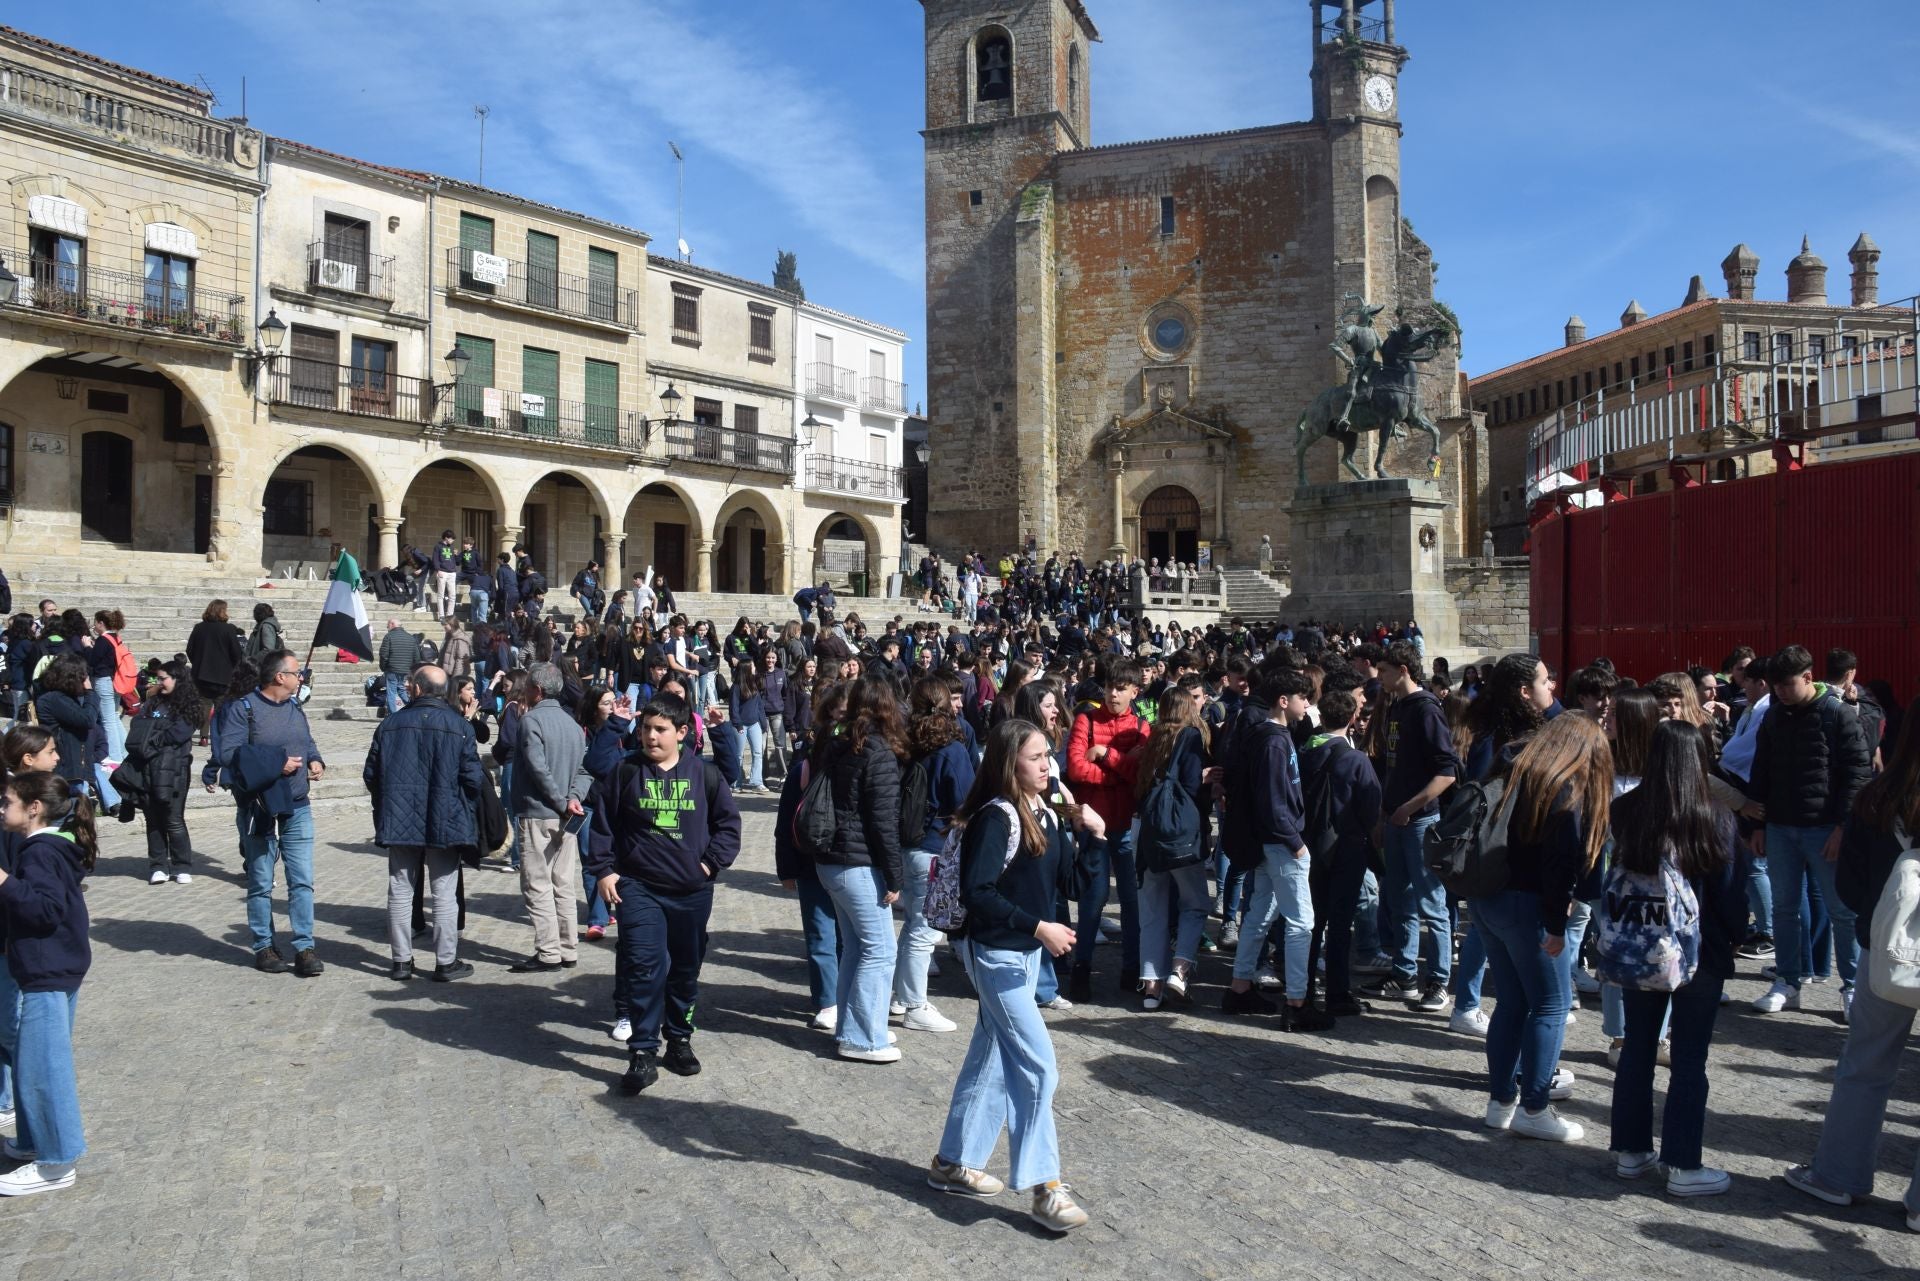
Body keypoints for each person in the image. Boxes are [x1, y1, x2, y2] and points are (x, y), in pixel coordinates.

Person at [929, 717, 1090, 1234]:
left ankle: (952, 1162)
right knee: (1039, 1066)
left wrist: (1094, 835)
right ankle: (1045, 1187)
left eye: (1050, 754)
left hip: (1024, 956)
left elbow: (1064, 880)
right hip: (996, 954)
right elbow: (977, 894)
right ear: (1009, 763)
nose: (1049, 764)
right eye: (1037, 757)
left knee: (993, 1055)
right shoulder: (996, 817)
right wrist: (1039, 926)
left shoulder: (1046, 809)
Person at [1783, 697, 1920, 1230]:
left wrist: (1874, 926)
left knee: (1865, 1066)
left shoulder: (1879, 797)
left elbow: (1852, 887)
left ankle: (1838, 1175)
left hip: (1885, 952)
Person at [1606, 721, 1746, 1197]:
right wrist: (1733, 939)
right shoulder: (1714, 815)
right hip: (1699, 950)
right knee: (1689, 1058)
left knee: (1638, 1046)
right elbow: (1729, 894)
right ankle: (1684, 1164)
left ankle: (1630, 1150)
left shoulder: (1626, 810)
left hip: (1640, 944)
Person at [588, 693, 741, 1093]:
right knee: (643, 966)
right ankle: (642, 1051)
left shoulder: (704, 774)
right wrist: (603, 871)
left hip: (691, 891)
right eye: (646, 729)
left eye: (660, 730)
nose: (651, 737)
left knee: (685, 970)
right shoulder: (624, 773)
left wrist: (708, 865)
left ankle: (679, 1040)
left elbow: (729, 826)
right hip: (638, 889)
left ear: (682, 733)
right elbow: (601, 826)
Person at [1474, 712, 1611, 1143]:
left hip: (1486, 894)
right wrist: (1556, 924)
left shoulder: (1513, 764)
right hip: (1527, 904)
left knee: (1512, 1004)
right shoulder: (1564, 787)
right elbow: (1561, 862)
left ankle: (1501, 1103)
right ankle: (1535, 1107)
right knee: (1552, 1005)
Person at [1744, 645, 1872, 1017]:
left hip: (1825, 829)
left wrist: (1843, 827)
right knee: (1784, 908)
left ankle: (1852, 987)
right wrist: (1757, 824)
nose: (1780, 692)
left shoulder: (1838, 714)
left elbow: (1856, 775)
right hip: (1781, 827)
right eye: (1775, 686)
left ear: (1808, 678)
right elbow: (1761, 769)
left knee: (1842, 911)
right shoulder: (1774, 716)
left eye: (1786, 685)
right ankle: (1788, 981)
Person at [0, 770, 94, 1197]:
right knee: (30, 1059)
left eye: (7, 802)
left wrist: (3, 881)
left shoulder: (39, 852)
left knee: (43, 1066)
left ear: (33, 808)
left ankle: (57, 1160)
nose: (2, 809)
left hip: (47, 970)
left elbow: (44, 910)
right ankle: (34, 1140)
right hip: (53, 966)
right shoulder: (50, 847)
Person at [1221, 671, 1333, 1029]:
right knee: (1301, 923)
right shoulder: (1272, 741)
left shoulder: (1271, 735)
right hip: (1280, 843)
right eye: (1303, 698)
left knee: (1259, 914)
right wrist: (1296, 843)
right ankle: (1297, 1002)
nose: (1308, 705)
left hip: (1268, 842)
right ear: (1284, 701)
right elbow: (1272, 802)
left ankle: (1240, 987)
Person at [365, 665, 483, 983]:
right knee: (444, 892)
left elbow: (371, 775)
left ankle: (401, 961)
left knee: (401, 890)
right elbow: (473, 778)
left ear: (416, 689)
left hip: (401, 816)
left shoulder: (390, 724)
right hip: (445, 816)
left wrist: (387, 802)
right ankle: (445, 961)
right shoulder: (458, 726)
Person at [1359, 641, 1460, 1013]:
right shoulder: (1396, 706)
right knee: (1398, 901)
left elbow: (1446, 773)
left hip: (1420, 821)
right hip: (1397, 819)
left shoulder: (1426, 709)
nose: (1377, 676)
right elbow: (1393, 767)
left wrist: (1408, 808)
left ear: (1403, 669)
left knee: (1432, 905)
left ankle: (1438, 981)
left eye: (1383, 670)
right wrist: (1386, 814)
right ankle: (1403, 974)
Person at [813, 674, 907, 1063]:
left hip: (831, 860)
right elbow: (883, 822)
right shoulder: (877, 751)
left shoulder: (837, 743)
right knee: (881, 951)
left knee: (856, 948)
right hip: (856, 861)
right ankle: (863, 1037)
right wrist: (895, 875)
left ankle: (854, 1027)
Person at [214, 650, 327, 977]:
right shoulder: (242, 710)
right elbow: (229, 755)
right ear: (280, 677)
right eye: (295, 673)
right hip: (259, 805)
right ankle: (264, 945)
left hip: (298, 805)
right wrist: (277, 763)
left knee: (302, 880)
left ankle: (304, 947)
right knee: (262, 880)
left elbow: (308, 743)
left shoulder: (295, 708)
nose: (299, 678)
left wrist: (315, 760)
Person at [1063, 658, 1150, 1001]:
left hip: (1127, 823)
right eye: (1110, 686)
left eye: (1121, 688)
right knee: (1092, 900)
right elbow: (1076, 768)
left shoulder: (1142, 726)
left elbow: (1139, 774)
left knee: (1130, 901)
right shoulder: (1086, 718)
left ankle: (1131, 969)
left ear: (1134, 691)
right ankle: (1081, 968)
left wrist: (1107, 755)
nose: (1113, 693)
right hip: (1093, 824)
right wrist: (1118, 770)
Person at [895, 675, 974, 1034]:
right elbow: (965, 801)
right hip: (933, 847)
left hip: (908, 844)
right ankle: (914, 1003)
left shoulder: (907, 744)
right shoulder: (950, 749)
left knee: (914, 923)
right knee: (924, 930)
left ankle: (900, 995)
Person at [1300, 687, 1382, 1019]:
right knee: (1340, 923)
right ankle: (1336, 992)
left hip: (1308, 846)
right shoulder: (1355, 760)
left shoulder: (1302, 751)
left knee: (1311, 922)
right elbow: (1372, 808)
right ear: (1351, 719)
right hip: (1347, 848)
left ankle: (1302, 986)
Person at [1130, 685, 1211, 1012]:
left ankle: (1151, 986)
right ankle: (1180, 968)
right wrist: (1206, 778)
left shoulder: (1153, 738)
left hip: (1150, 834)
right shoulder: (1191, 737)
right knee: (1194, 903)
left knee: (1152, 908)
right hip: (1181, 835)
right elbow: (1192, 786)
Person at [507, 663, 592, 973]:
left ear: (537, 690)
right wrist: (573, 799)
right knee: (562, 883)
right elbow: (584, 771)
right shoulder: (572, 724)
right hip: (566, 815)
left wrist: (561, 801)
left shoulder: (531, 721)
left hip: (539, 813)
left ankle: (548, 952)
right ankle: (568, 948)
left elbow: (536, 768)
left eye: (529, 686)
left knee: (537, 884)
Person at [124, 659, 201, 884]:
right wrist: (155, 735)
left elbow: (178, 735)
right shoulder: (152, 703)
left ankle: (181, 865)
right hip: (148, 766)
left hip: (175, 769)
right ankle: (158, 865)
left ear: (177, 679)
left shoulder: (190, 705)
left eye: (163, 678)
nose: (159, 683)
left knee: (173, 818)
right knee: (153, 818)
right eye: (158, 678)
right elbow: (138, 728)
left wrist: (154, 735)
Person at [184, 600, 244, 739]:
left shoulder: (199, 627)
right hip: (223, 675)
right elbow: (237, 653)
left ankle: (204, 736)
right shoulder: (228, 629)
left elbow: (189, 650)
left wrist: (198, 663)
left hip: (201, 674)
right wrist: (232, 667)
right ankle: (220, 735)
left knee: (204, 705)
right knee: (221, 707)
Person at [377, 619, 424, 716]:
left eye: (387, 625)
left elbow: (383, 654)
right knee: (402, 689)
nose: (387, 628)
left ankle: (393, 715)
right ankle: (413, 707)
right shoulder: (410, 638)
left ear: (392, 624)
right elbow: (416, 656)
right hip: (406, 670)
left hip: (392, 670)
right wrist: (413, 670)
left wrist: (383, 667)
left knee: (391, 692)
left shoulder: (388, 637)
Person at [431, 529, 461, 621]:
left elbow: (457, 563)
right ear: (446, 538)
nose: (453, 541)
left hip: (452, 573)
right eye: (452, 539)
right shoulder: (438, 547)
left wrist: (456, 555)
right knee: (441, 595)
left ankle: (449, 615)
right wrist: (438, 570)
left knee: (452, 595)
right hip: (442, 572)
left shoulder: (452, 548)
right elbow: (435, 559)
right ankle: (441, 616)